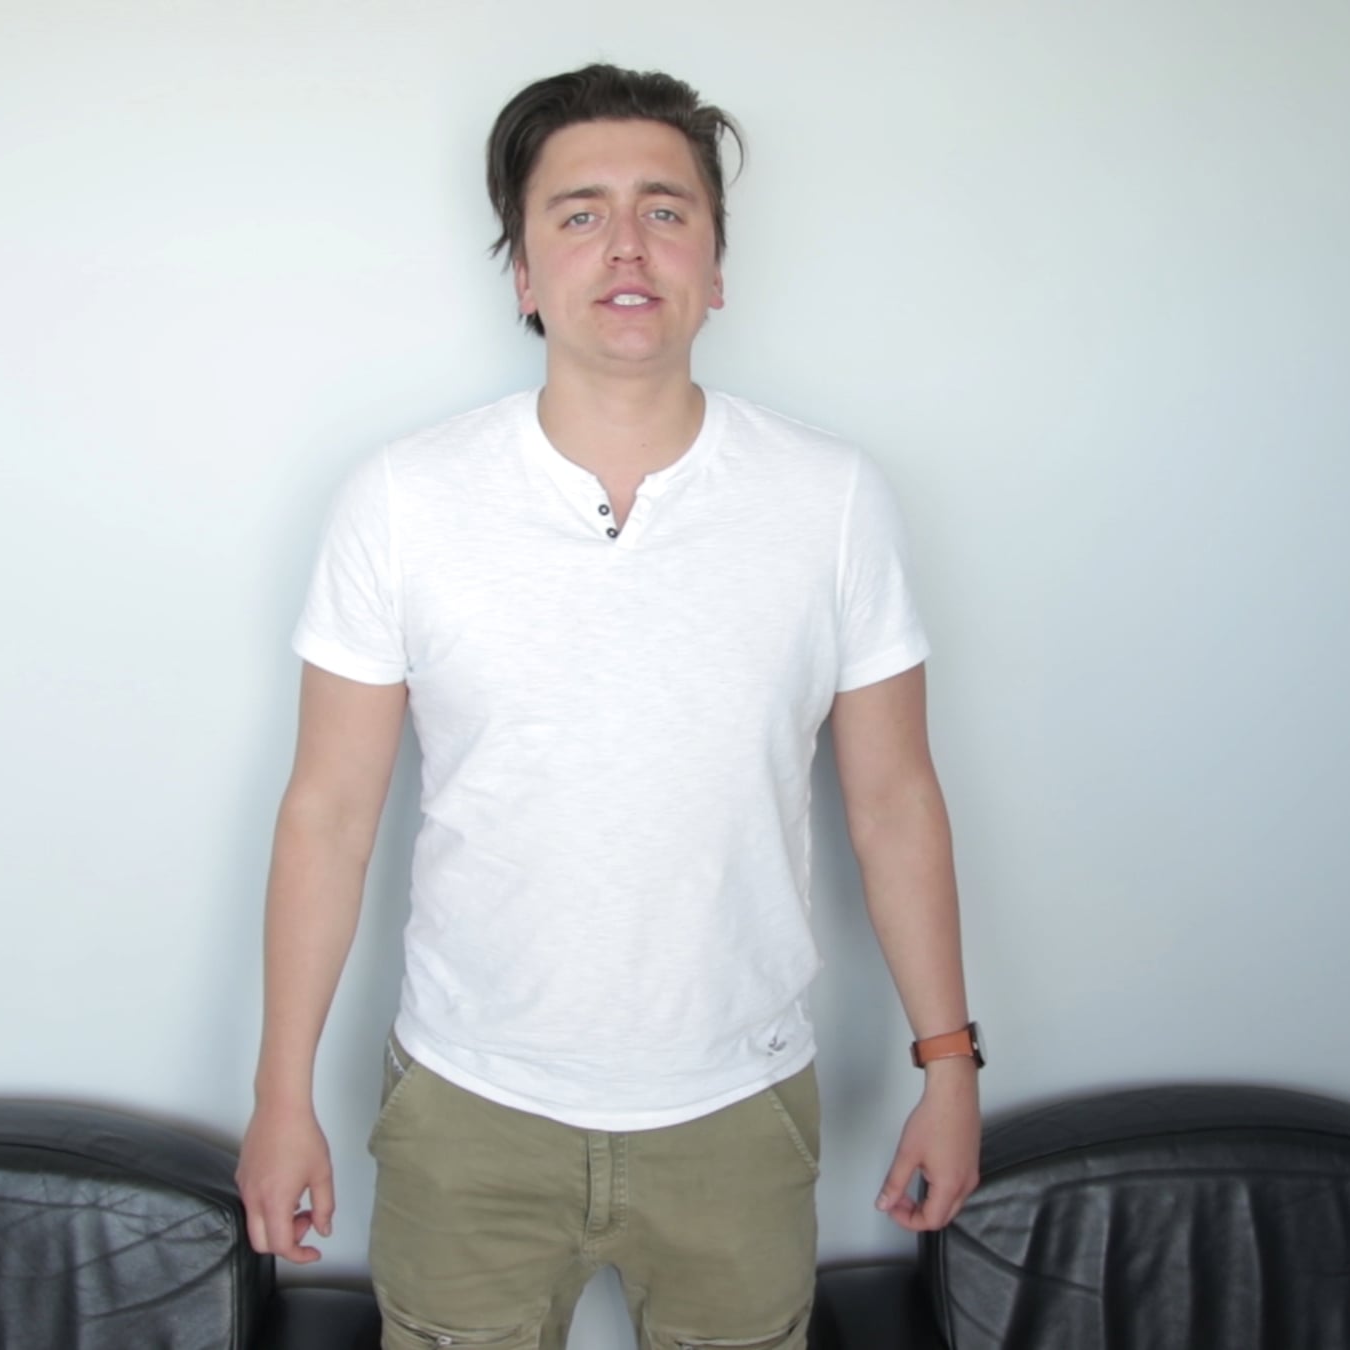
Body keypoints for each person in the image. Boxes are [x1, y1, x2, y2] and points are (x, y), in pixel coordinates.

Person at [235, 62, 980, 1350]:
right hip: (468, 1110)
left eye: (665, 209)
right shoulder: (403, 499)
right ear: (524, 274)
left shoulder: (834, 501)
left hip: (739, 1114)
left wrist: (950, 1067)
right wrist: (280, 1094)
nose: (626, 244)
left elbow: (894, 801)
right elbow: (330, 813)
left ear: (716, 267)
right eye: (579, 213)